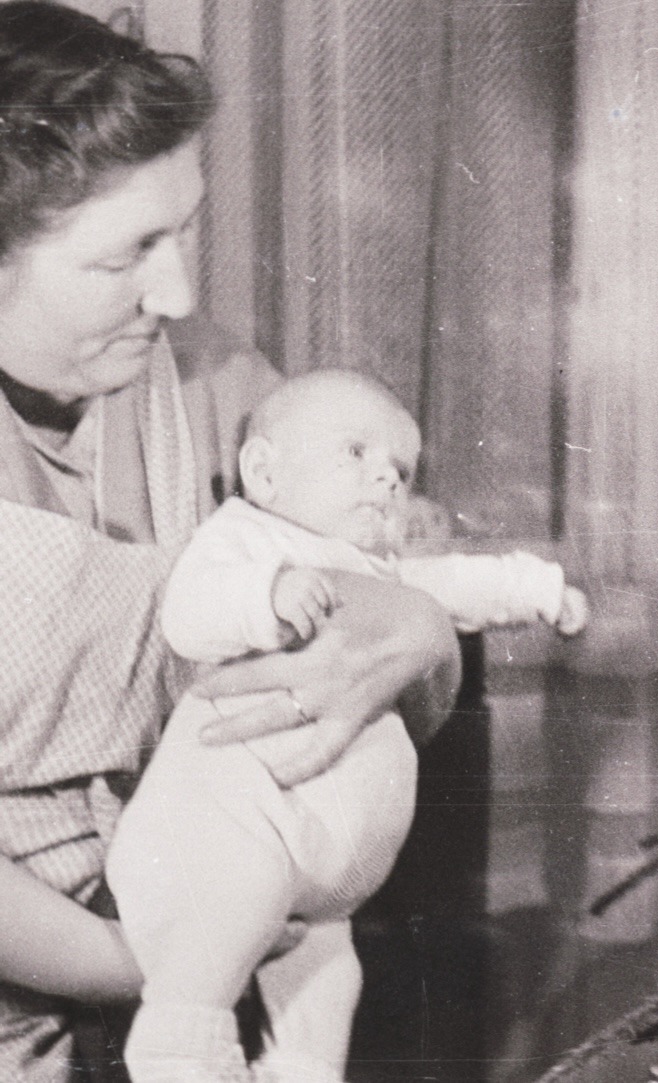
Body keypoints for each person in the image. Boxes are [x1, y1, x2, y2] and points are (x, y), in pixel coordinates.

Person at [0, 5, 462, 1079]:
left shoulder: (223, 394)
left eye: (186, 229)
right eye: (126, 257)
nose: (179, 294)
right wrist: (167, 962)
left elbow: (370, 692)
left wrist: (419, 626)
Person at [105, 370, 588, 1082]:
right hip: (230, 825)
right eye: (356, 453)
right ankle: (177, 1050)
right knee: (230, 919)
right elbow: (190, 609)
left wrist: (537, 589)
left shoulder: (379, 572)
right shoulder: (250, 537)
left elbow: (457, 584)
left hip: (321, 886)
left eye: (399, 469)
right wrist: (267, 594)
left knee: (330, 985)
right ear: (264, 472)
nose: (386, 479)